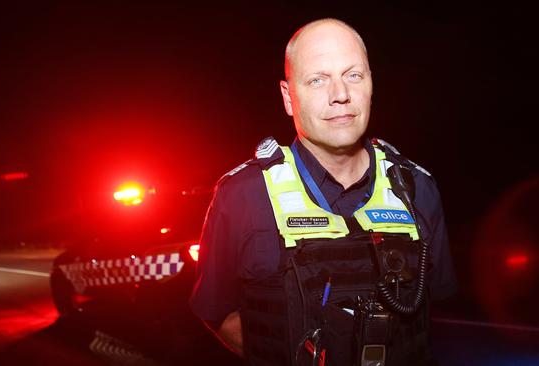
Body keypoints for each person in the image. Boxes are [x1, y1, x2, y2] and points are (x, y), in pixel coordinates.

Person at [190, 18, 457, 366]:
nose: (340, 95)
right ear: (289, 97)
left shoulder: (417, 188)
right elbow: (218, 313)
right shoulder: (242, 195)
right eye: (317, 80)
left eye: (354, 75)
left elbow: (434, 311)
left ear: (371, 83)